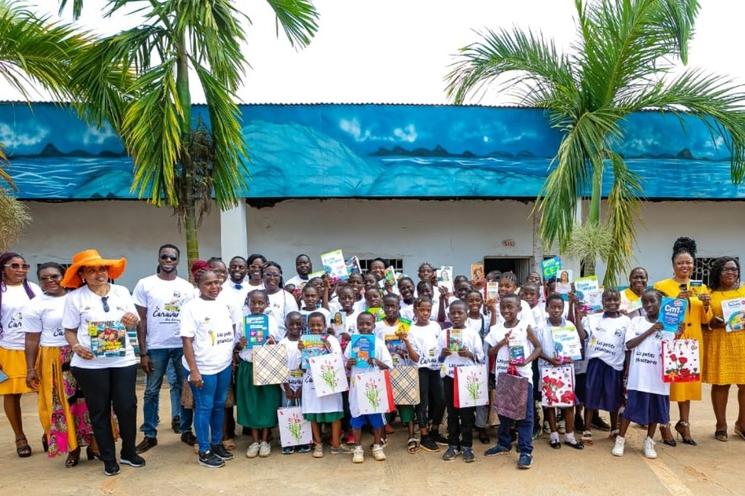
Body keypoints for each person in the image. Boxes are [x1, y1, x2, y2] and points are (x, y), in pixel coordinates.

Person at [61, 249, 144, 476]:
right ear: (82, 276)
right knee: (98, 411)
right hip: (90, 364)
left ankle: (128, 451)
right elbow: (69, 330)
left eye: (102, 269)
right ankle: (108, 458)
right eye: (91, 270)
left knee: (127, 406)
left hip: (123, 359)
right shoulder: (74, 298)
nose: (99, 274)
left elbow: (133, 320)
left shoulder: (121, 293)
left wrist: (131, 320)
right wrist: (76, 346)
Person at [24, 262, 96, 466]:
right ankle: (72, 449)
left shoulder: (79, 296)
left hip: (84, 354)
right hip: (54, 357)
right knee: (61, 404)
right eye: (44, 278)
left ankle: (94, 445)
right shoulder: (35, 305)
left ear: (64, 276)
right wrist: (30, 369)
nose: (50, 281)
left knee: (91, 400)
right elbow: (31, 339)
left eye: (54, 276)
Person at [133, 244, 194, 454]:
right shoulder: (145, 284)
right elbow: (141, 320)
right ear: (158, 258)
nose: (168, 260)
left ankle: (186, 430)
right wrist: (143, 352)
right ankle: (150, 434)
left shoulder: (186, 287)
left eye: (172, 258)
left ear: (178, 260)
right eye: (164, 257)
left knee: (185, 388)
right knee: (151, 391)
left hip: (181, 346)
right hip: (156, 347)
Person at [180, 268, 241, 469]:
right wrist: (194, 370)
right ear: (199, 285)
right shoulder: (191, 308)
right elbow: (187, 341)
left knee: (219, 405)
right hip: (203, 367)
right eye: (208, 283)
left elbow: (229, 331)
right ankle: (204, 450)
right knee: (204, 407)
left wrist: (231, 353)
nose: (214, 287)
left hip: (222, 365)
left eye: (217, 282)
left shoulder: (224, 304)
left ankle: (216, 444)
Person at [653, 237, 712, 445]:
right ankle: (664, 424)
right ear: (673, 265)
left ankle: (684, 424)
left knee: (686, 384)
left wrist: (705, 305)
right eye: (680, 263)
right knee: (669, 385)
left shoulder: (701, 288)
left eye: (688, 262)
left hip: (692, 339)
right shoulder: (662, 285)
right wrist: (678, 299)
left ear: (693, 264)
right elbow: (656, 313)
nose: (684, 266)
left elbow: (707, 319)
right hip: (672, 339)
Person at [484, 294, 542, 469]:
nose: (507, 310)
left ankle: (525, 452)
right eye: (504, 307)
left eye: (511, 307)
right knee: (504, 413)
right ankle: (504, 443)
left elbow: (538, 347)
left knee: (525, 416)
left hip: (522, 376)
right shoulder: (496, 329)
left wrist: (527, 360)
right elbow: (490, 352)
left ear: (519, 309)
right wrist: (502, 342)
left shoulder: (525, 327)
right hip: (503, 376)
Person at [612, 290, 671, 459]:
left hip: (659, 376)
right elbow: (630, 344)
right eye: (645, 302)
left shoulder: (669, 324)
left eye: (652, 301)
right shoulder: (636, 322)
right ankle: (621, 439)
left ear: (662, 302)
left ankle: (649, 441)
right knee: (631, 408)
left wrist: (677, 333)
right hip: (639, 375)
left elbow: (671, 348)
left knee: (656, 410)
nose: (648, 305)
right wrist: (652, 330)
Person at [575, 288, 630, 445]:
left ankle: (614, 428)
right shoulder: (593, 319)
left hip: (615, 365)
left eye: (615, 299)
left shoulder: (626, 321)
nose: (612, 303)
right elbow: (582, 336)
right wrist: (579, 318)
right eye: (608, 300)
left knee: (614, 396)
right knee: (591, 395)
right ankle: (587, 429)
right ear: (602, 302)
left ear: (620, 301)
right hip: (596, 363)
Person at [0, 252, 39, 457]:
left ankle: (49, 432)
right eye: (14, 266)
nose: (20, 270)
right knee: (11, 394)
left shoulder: (34, 289)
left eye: (24, 266)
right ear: (3, 268)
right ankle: (20, 437)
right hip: (8, 349)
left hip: (36, 349)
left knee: (45, 391)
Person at [704, 256, 745, 442]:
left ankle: (742, 424)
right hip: (720, 342)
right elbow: (705, 321)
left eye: (734, 269)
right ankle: (721, 425)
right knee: (721, 384)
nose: (731, 273)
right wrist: (713, 322)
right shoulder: (710, 293)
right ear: (718, 272)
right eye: (726, 269)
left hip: (742, 342)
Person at [237, 290, 282, 459]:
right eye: (253, 302)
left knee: (267, 402)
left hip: (267, 365)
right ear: (247, 303)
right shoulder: (242, 322)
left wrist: (272, 341)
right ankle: (254, 441)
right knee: (251, 402)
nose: (256, 306)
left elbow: (276, 342)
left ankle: (265, 440)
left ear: (266, 304)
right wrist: (241, 344)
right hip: (248, 365)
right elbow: (236, 347)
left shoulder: (271, 321)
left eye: (260, 303)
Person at [439, 299, 485, 463]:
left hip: (467, 378)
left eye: (460, 313)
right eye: (453, 313)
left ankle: (467, 446)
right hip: (450, 377)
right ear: (449, 314)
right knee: (452, 413)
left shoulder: (472, 334)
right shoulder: (444, 334)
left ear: (467, 314)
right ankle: (453, 444)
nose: (456, 316)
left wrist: (469, 354)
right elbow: (438, 359)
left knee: (466, 414)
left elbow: (481, 358)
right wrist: (444, 353)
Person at [344, 311, 393, 463]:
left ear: (373, 325)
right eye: (361, 324)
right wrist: (349, 364)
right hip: (356, 388)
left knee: (376, 418)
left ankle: (377, 446)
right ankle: (358, 448)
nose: (364, 327)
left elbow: (388, 366)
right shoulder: (353, 343)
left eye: (368, 324)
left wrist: (377, 362)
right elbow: (345, 366)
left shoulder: (378, 343)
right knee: (356, 419)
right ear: (357, 325)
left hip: (373, 387)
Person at [300, 312, 349, 458]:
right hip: (311, 381)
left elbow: (339, 360)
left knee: (334, 411)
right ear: (308, 326)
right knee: (313, 413)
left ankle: (335, 444)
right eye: (312, 325)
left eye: (319, 325)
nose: (315, 328)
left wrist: (329, 349)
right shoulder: (304, 340)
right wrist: (301, 350)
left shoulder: (332, 339)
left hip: (329, 381)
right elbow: (301, 364)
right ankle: (318, 444)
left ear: (325, 325)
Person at [539, 293, 584, 449]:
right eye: (553, 307)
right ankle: (554, 435)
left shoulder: (569, 326)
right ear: (547, 308)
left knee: (568, 403)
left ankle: (570, 436)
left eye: (559, 307)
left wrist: (572, 357)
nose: (556, 310)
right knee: (550, 404)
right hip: (548, 368)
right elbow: (537, 349)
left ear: (563, 309)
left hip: (566, 370)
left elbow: (576, 348)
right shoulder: (541, 327)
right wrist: (549, 359)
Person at [375, 294, 416, 448]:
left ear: (399, 307)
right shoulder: (378, 326)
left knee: (406, 402)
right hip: (384, 370)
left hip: (403, 368)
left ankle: (411, 435)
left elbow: (411, 345)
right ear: (383, 308)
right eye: (387, 306)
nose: (390, 309)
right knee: (384, 403)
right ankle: (382, 436)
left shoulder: (406, 324)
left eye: (393, 306)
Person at [407, 296, 446, 451]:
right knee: (422, 402)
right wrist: (406, 342)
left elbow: (440, 345)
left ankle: (434, 429)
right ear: (415, 310)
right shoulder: (411, 329)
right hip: (420, 369)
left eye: (428, 310)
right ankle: (424, 435)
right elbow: (415, 356)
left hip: (436, 368)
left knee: (441, 399)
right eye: (421, 309)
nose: (425, 313)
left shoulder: (436, 326)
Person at [278, 312, 309, 454]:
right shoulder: (282, 344)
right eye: (292, 324)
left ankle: (303, 441)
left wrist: (302, 386)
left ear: (303, 324)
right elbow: (279, 367)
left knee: (303, 411)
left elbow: (308, 366)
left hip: (304, 385)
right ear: (286, 325)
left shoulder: (306, 342)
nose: (295, 326)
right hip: (287, 386)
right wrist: (287, 388)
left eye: (298, 323)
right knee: (287, 410)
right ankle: (288, 441)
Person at [263, 262, 299, 338]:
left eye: (275, 275)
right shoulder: (256, 295)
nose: (272, 278)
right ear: (263, 277)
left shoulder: (288, 297)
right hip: (258, 343)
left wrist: (282, 343)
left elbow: (293, 322)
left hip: (281, 343)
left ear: (280, 278)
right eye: (268, 274)